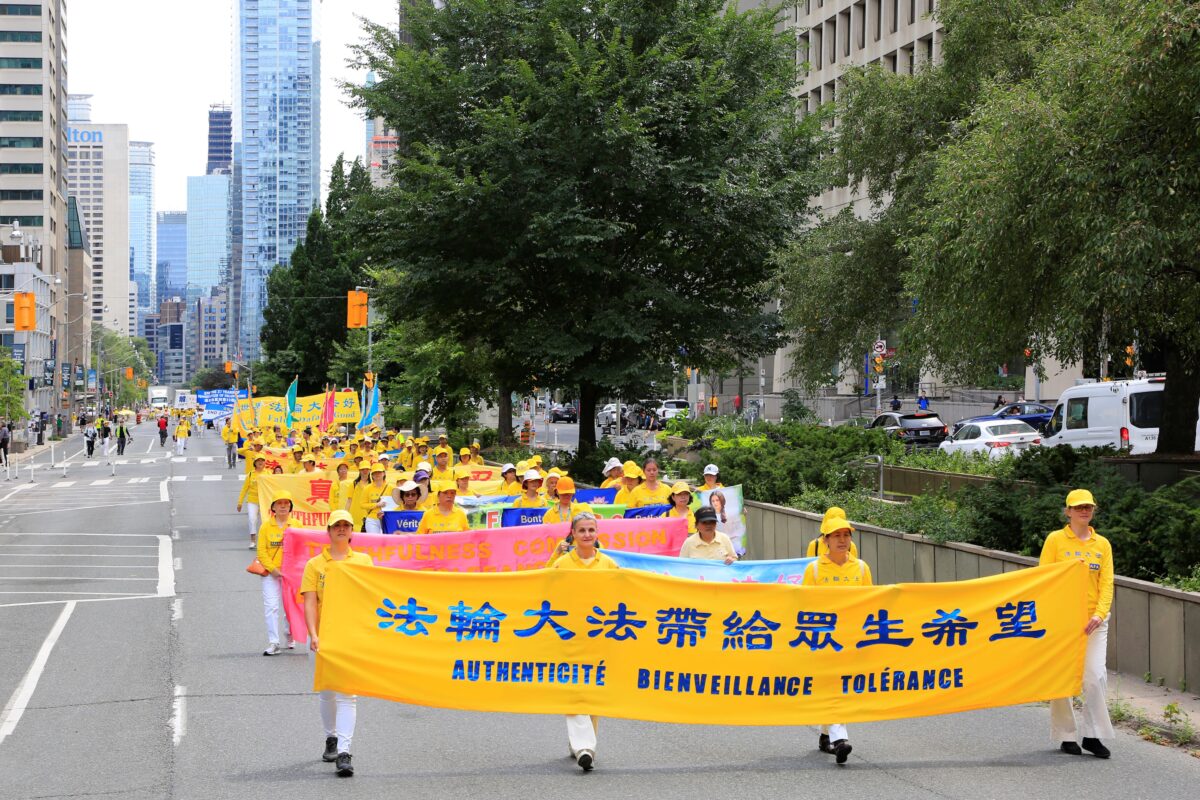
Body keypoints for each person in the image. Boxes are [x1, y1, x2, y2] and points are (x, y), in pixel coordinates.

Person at [1040, 489, 1114, 759]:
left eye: (1089, 507)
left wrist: (1100, 613)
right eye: (1078, 507)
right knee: (1062, 678)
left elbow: (1107, 584)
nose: (1084, 511)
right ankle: (1066, 735)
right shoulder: (1056, 540)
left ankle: (1092, 736)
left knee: (1094, 677)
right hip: (1062, 620)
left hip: (1094, 621)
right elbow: (1043, 578)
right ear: (1068, 511)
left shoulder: (1102, 544)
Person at [301, 509, 373, 778]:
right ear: (329, 532)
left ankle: (344, 752)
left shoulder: (364, 561)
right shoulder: (315, 565)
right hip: (323, 636)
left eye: (346, 525)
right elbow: (309, 601)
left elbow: (372, 597)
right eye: (336, 526)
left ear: (352, 531)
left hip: (351, 636)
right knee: (328, 693)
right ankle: (331, 738)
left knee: (348, 694)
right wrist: (313, 634)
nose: (341, 529)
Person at [802, 508, 872, 766]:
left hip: (852, 639)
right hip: (825, 640)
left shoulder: (862, 568)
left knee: (839, 687)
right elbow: (805, 608)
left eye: (846, 535)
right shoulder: (814, 569)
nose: (842, 540)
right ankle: (840, 738)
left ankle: (825, 736)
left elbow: (870, 605)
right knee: (834, 686)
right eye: (836, 535)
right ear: (825, 540)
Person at [549, 512, 617, 771]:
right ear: (573, 534)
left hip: (599, 636)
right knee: (575, 688)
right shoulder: (563, 563)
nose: (587, 535)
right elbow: (540, 584)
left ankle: (584, 741)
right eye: (582, 530)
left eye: (591, 530)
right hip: (570, 636)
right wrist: (555, 555)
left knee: (594, 690)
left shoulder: (609, 563)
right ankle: (584, 747)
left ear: (597, 533)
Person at [257, 491, 297, 655]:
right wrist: (273, 570)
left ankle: (290, 634)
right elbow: (261, 551)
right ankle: (274, 642)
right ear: (273, 507)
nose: (282, 506)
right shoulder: (266, 526)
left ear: (290, 507)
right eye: (279, 503)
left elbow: (302, 549)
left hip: (291, 576)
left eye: (286, 503)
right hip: (271, 574)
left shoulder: (296, 525)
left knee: (290, 608)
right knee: (271, 607)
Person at [237, 455, 268, 549]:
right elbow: (244, 489)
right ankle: (253, 541)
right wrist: (240, 502)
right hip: (252, 500)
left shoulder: (268, 474)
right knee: (252, 519)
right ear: (255, 462)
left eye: (262, 460)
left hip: (264, 501)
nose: (260, 462)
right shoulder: (250, 474)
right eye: (258, 460)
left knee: (265, 521)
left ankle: (265, 541)